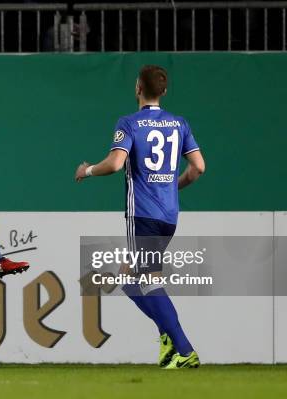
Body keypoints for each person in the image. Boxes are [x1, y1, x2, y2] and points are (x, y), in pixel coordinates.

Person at [74, 65, 205, 369]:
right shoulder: (179, 123)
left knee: (147, 281)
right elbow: (198, 167)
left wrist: (88, 170)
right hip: (170, 214)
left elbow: (116, 163)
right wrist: (174, 185)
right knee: (126, 277)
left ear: (137, 89)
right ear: (165, 92)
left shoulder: (129, 123)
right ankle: (169, 338)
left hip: (143, 213)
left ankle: (184, 350)